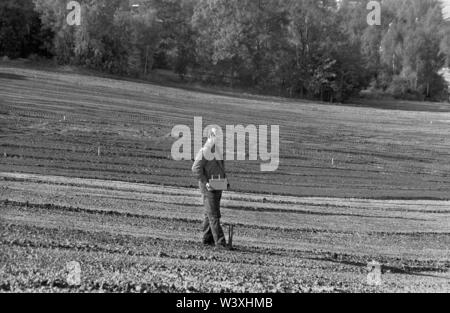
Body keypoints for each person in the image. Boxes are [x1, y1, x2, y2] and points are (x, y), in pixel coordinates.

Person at [192, 128, 229, 248]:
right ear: (210, 136)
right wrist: (205, 182)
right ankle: (220, 242)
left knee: (210, 214)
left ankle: (207, 239)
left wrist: (225, 180)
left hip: (218, 185)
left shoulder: (216, 151)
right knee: (214, 215)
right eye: (216, 136)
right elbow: (195, 168)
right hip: (209, 188)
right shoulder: (204, 151)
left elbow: (220, 167)